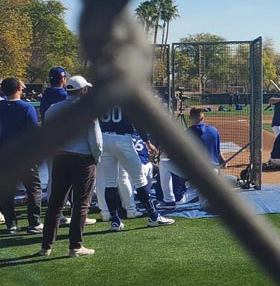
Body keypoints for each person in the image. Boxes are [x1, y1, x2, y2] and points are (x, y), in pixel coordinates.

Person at [39, 75, 102, 257]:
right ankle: (75, 246)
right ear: (83, 90)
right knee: (81, 204)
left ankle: (46, 246)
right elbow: (96, 141)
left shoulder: (53, 109)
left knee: (55, 203)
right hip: (83, 159)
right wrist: (96, 159)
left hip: (60, 158)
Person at [99, 104, 174, 232]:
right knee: (139, 180)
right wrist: (148, 142)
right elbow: (138, 123)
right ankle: (153, 216)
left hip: (104, 139)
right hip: (122, 139)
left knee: (110, 182)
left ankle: (115, 221)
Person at [0, 78, 43, 234]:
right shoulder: (26, 108)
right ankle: (34, 223)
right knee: (33, 189)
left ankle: (11, 224)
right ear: (18, 88)